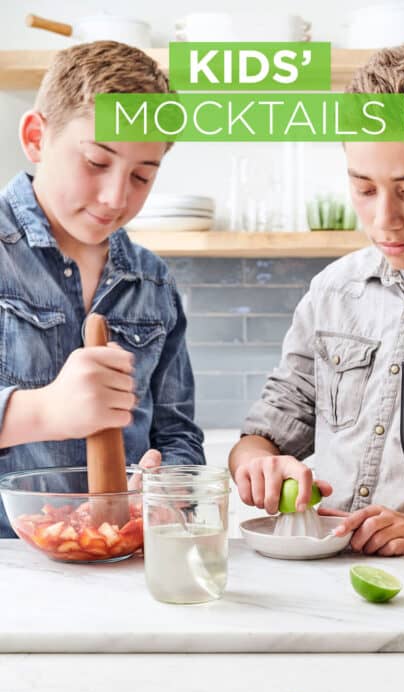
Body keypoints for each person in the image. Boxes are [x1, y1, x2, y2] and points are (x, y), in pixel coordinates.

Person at [229, 43, 404, 556]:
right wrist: (259, 464)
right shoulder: (334, 291)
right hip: (335, 586)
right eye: (364, 188)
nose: (384, 220)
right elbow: (264, 433)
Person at [0, 41, 204, 538]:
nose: (116, 197)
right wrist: (43, 411)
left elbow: (177, 433)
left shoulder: (153, 281)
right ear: (35, 137)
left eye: (142, 176)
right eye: (96, 161)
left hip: (121, 561)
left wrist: (171, 490)